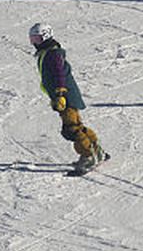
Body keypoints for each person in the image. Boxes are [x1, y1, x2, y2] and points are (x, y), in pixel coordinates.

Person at [29, 22, 106, 172]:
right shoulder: (49, 52)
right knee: (76, 126)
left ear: (46, 37)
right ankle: (97, 151)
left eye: (37, 39)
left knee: (71, 129)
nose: (34, 43)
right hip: (64, 96)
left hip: (65, 97)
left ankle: (89, 156)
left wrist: (60, 94)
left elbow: (60, 74)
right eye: (32, 40)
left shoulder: (53, 54)